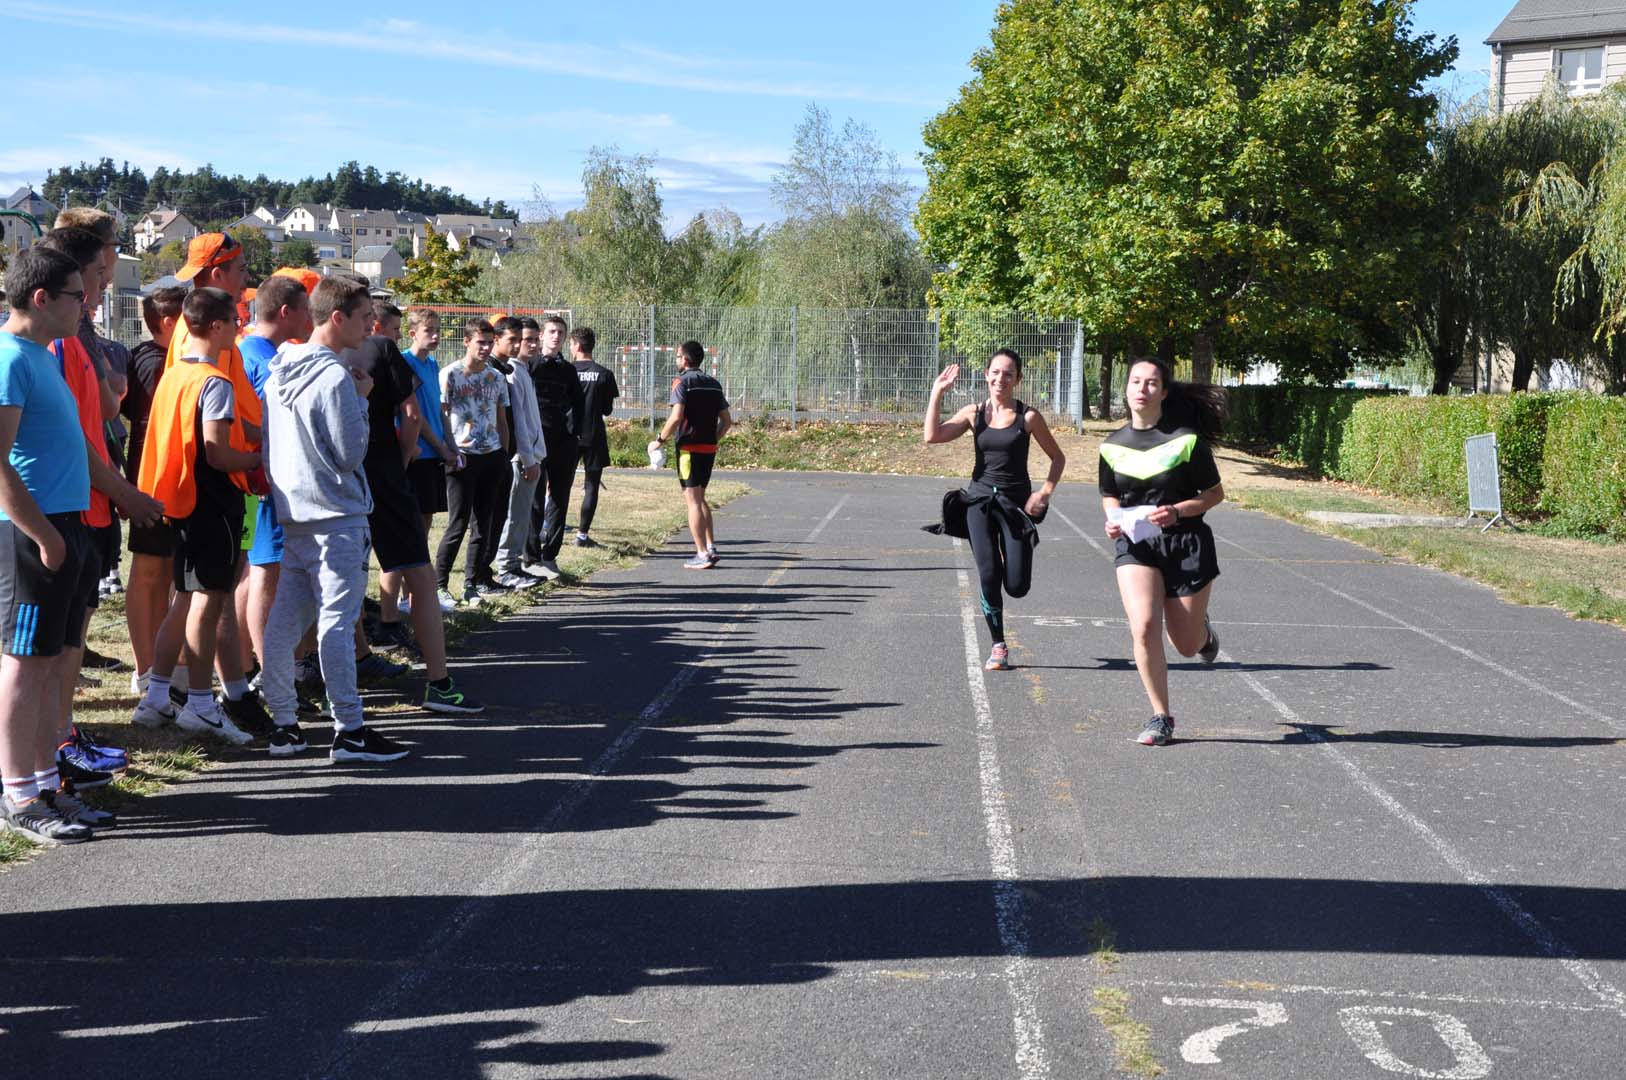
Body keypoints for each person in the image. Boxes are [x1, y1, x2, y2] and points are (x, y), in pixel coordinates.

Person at [259, 276, 408, 762]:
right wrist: (362, 405)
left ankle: (284, 722)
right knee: (336, 623)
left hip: (295, 510)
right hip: (336, 513)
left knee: (285, 620)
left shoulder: (280, 368)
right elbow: (348, 456)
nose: (371, 327)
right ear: (337, 317)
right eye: (365, 318)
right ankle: (349, 728)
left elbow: (269, 444)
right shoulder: (336, 379)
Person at [0, 248, 103, 843]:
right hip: (34, 533)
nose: (85, 304)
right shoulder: (11, 359)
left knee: (48, 667)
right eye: (75, 295)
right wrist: (43, 536)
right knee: (23, 664)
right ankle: (18, 796)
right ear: (42, 299)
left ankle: (44, 785)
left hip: (65, 526)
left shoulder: (40, 357)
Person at [129, 288, 261, 745]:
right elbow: (218, 453)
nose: (239, 329)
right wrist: (261, 457)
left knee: (183, 598)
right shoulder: (215, 381)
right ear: (218, 327)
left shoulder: (172, 375)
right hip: (211, 503)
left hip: (177, 499)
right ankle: (202, 704)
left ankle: (156, 695)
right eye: (235, 321)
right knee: (208, 601)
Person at [352, 327, 484, 715]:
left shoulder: (302, 356)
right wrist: (403, 458)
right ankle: (438, 683)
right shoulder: (379, 347)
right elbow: (411, 414)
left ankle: (334, 683)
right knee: (420, 577)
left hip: (335, 485)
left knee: (337, 588)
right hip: (384, 477)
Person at [1099, 355, 1226, 747]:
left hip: (1186, 544)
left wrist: (1177, 511)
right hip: (1136, 544)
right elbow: (1109, 493)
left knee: (1185, 646)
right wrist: (1113, 520)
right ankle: (1161, 716)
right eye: (1136, 381)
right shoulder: (1112, 445)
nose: (1142, 389)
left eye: (1151, 383)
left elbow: (1214, 495)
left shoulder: (1187, 442)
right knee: (1144, 625)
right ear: (1126, 388)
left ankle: (1203, 634)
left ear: (1163, 391)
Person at [922, 350, 1065, 671]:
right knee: (989, 574)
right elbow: (931, 436)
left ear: (1018, 380)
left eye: (1008, 374)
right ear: (987, 375)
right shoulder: (974, 413)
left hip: (1014, 507)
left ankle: (1011, 557)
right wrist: (937, 393)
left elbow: (1058, 458)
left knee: (1016, 586)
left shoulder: (1028, 417)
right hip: (979, 502)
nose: (1001, 379)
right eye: (996, 373)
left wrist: (1044, 492)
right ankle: (998, 645)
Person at [237, 273, 314, 687]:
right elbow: (267, 422)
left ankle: (258, 666)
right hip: (262, 484)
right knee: (264, 572)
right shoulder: (262, 357)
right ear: (286, 312)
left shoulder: (255, 351)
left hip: (259, 482)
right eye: (306, 310)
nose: (311, 318)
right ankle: (272, 674)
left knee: (256, 573)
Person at [123, 287, 186, 695]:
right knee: (149, 571)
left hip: (169, 480)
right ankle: (146, 669)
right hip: (151, 481)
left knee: (165, 574)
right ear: (168, 323)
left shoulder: (168, 360)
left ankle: (162, 669)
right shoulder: (152, 363)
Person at [434, 319, 509, 606]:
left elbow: (502, 418)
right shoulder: (450, 374)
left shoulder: (496, 377)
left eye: (490, 342)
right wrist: (448, 450)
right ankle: (440, 585)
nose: (486, 348)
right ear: (467, 342)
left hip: (491, 455)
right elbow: (441, 415)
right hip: (461, 457)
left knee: (483, 524)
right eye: (481, 342)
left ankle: (472, 583)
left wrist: (503, 452)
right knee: (458, 523)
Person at [395, 307, 457, 615]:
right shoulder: (404, 363)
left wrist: (450, 446)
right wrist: (441, 448)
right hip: (417, 454)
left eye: (437, 330)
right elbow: (415, 417)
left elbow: (439, 411)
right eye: (428, 330)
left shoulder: (432, 365)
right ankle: (408, 597)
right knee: (412, 529)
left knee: (426, 524)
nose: (434, 336)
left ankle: (418, 595)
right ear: (412, 333)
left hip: (434, 455)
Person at [650, 340, 732, 569]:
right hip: (708, 449)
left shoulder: (681, 382)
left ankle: (702, 553)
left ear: (685, 360)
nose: (676, 360)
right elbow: (726, 422)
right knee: (701, 498)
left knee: (692, 502)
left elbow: (676, 417)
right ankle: (711, 547)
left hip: (688, 449)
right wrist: (713, 438)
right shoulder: (714, 384)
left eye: (677, 357)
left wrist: (658, 441)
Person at [525, 313, 582, 579]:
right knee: (534, 499)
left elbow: (578, 407)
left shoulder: (569, 371)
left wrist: (575, 437)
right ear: (541, 336)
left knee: (559, 498)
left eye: (560, 332)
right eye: (552, 332)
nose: (556, 336)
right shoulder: (529, 366)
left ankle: (550, 556)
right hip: (536, 441)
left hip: (563, 444)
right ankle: (531, 556)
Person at [494, 317, 546, 590]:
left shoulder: (523, 370)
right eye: (528, 340)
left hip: (533, 454)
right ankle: (507, 568)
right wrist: (527, 457)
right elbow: (518, 422)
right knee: (514, 515)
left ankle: (514, 565)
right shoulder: (512, 371)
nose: (534, 345)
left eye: (536, 339)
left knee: (523, 515)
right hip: (521, 459)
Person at [570, 325, 618, 547]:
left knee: (557, 485)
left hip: (568, 435)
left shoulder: (566, 371)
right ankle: (582, 535)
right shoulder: (604, 374)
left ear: (577, 345)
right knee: (591, 486)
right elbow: (607, 410)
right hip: (594, 435)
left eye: (571, 344)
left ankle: (548, 530)